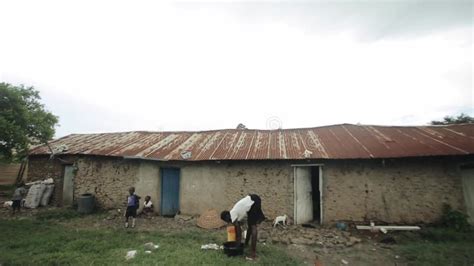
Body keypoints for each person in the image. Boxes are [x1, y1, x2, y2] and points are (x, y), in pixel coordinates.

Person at [220, 194, 265, 260]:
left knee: (253, 227)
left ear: (227, 217)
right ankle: (246, 244)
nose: (228, 222)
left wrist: (237, 246)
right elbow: (238, 228)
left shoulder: (232, 214)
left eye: (226, 220)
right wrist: (243, 243)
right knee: (250, 225)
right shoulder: (235, 213)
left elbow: (239, 232)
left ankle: (253, 254)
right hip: (254, 200)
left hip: (252, 202)